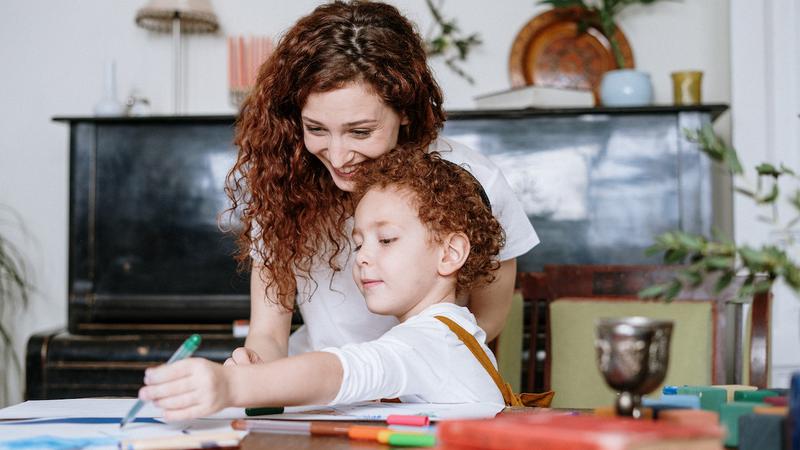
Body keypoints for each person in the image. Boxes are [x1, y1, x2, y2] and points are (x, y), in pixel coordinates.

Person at [224, 0, 538, 368]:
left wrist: (398, 373)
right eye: (316, 129)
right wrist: (254, 366)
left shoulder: (475, 181)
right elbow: (268, 332)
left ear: (405, 109)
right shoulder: (283, 182)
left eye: (360, 131)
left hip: (424, 382)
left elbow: (487, 320)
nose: (338, 157)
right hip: (316, 389)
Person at [140, 150, 508, 420]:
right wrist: (263, 379)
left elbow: (340, 371)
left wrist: (232, 386)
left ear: (450, 253)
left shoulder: (430, 341)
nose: (362, 257)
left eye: (386, 240)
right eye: (359, 243)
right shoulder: (449, 332)